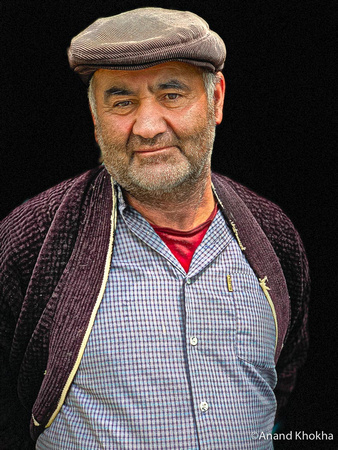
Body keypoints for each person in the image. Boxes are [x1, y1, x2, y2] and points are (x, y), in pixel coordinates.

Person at [0, 7, 309, 449]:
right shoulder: (33, 241)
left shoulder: (272, 234)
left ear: (216, 99)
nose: (147, 127)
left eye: (172, 94)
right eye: (121, 101)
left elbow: (285, 376)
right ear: (94, 117)